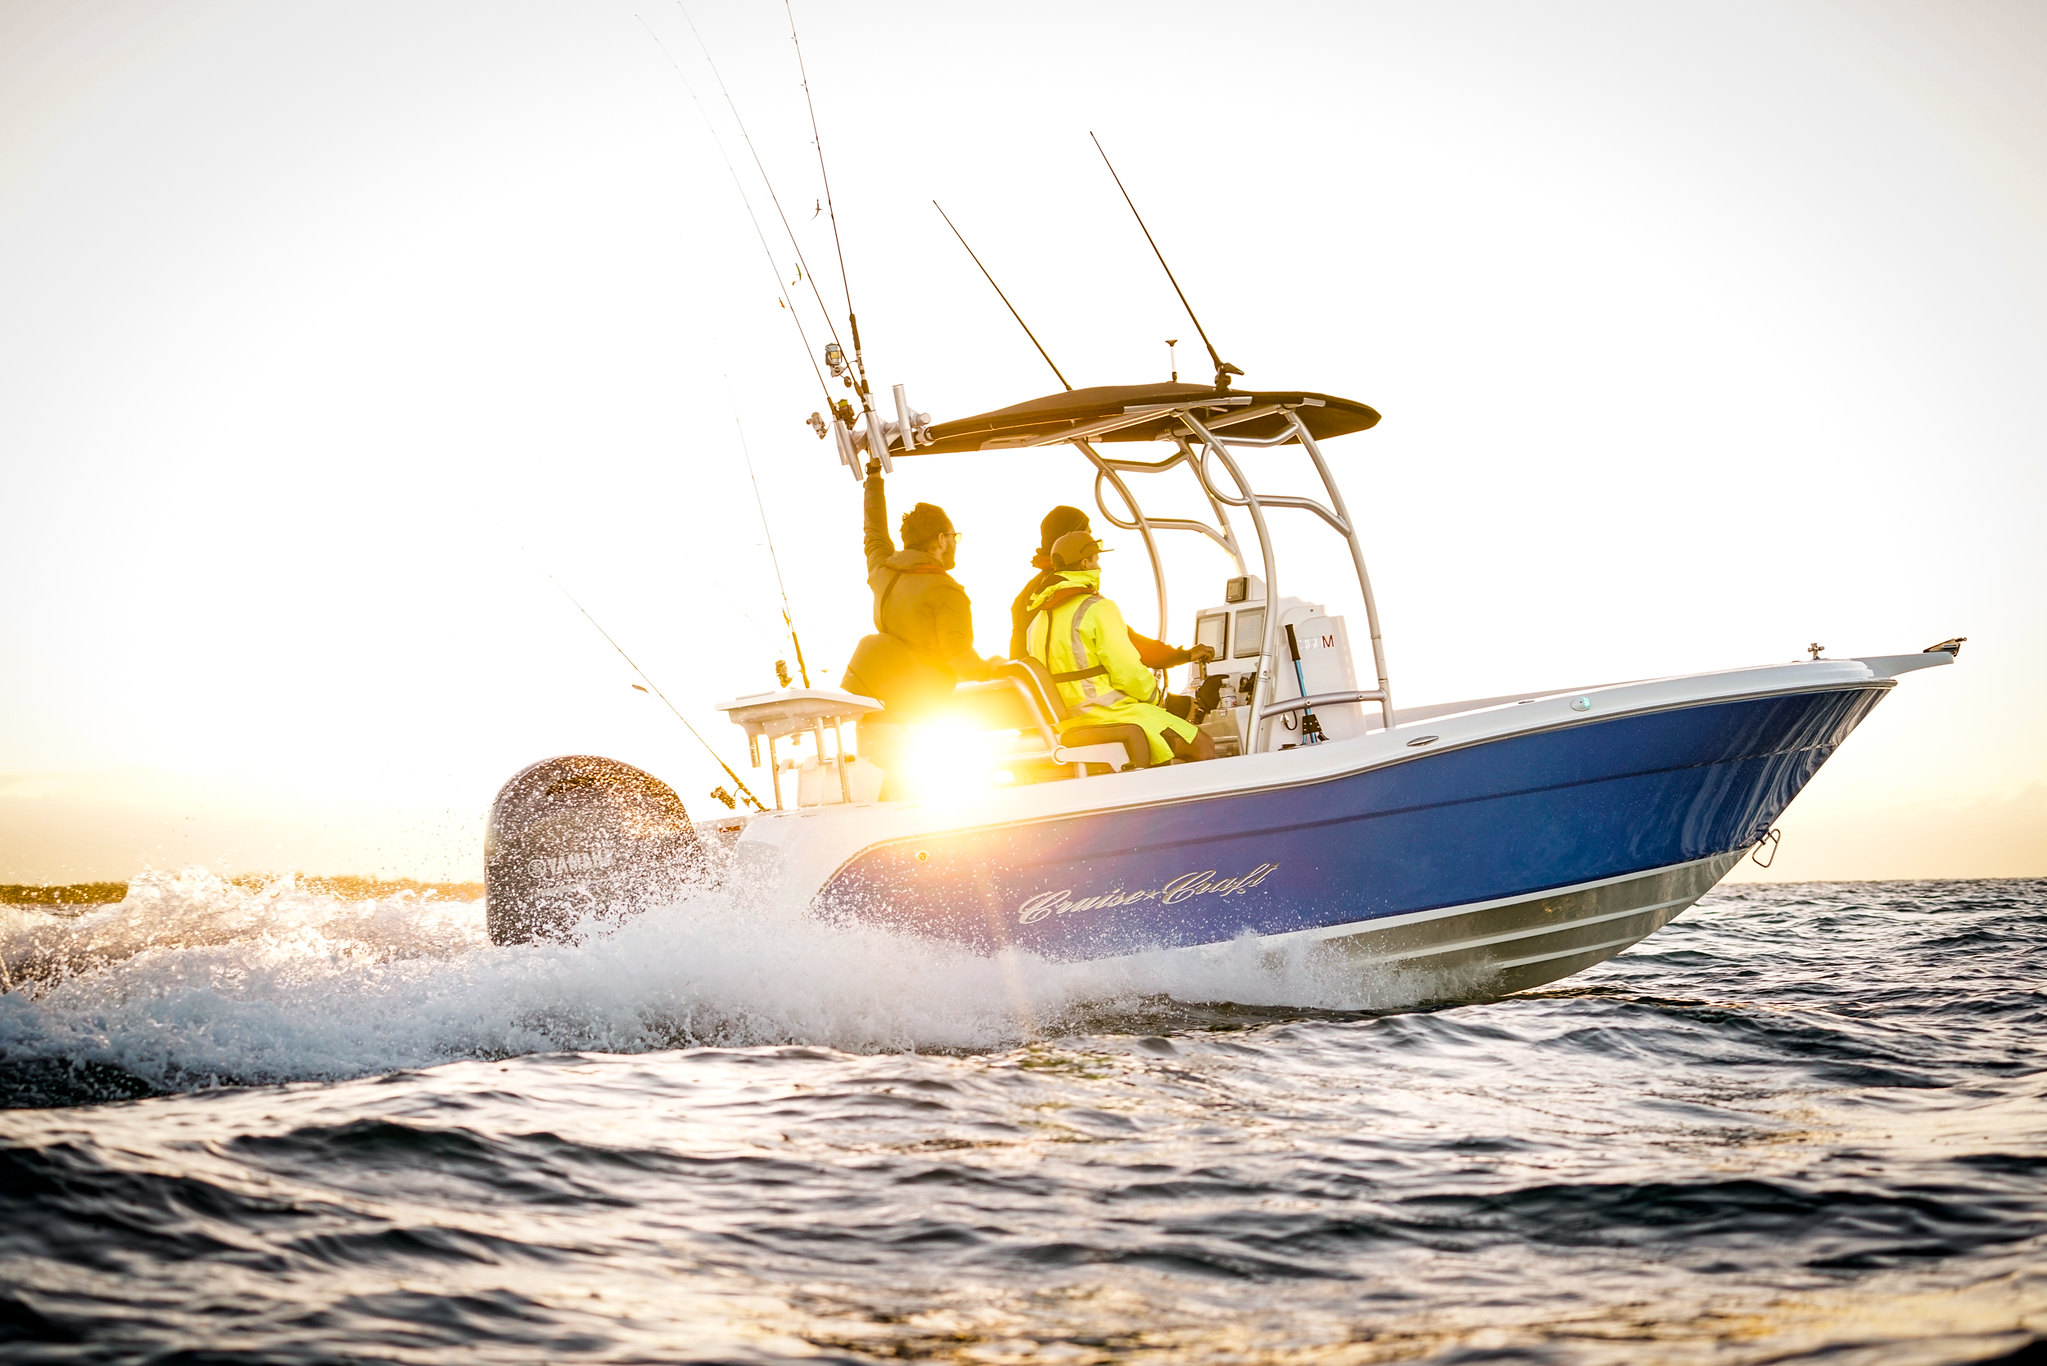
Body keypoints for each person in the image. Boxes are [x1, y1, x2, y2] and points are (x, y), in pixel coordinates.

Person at [1008, 505, 1220, 721]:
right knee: (1192, 722)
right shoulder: (1068, 595)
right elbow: (1126, 648)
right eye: (1087, 535)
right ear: (1070, 541)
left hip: (1043, 708)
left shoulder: (1034, 594)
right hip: (1086, 710)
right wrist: (1181, 657)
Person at [1023, 531, 1216, 765]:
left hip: (1070, 723)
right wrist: (1156, 697)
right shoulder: (1099, 608)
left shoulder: (1037, 622)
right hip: (1112, 714)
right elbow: (1127, 671)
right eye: (1096, 560)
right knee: (1204, 747)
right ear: (1085, 563)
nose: (1099, 567)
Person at [841, 457, 1000, 719]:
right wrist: (995, 667)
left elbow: (874, 532)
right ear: (940, 540)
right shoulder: (946, 591)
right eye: (953, 536)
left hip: (876, 709)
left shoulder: (884, 573)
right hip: (920, 713)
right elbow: (962, 661)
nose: (955, 542)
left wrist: (873, 478)